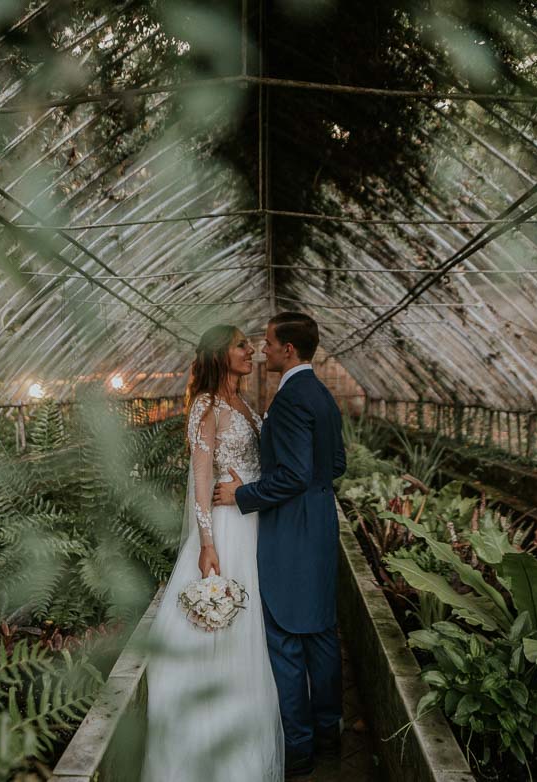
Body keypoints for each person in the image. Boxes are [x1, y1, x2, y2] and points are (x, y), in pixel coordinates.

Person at [141, 325, 284, 782]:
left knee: (250, 630)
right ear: (220, 353)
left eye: (251, 344)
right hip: (226, 529)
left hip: (253, 520)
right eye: (242, 344)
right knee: (224, 631)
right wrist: (207, 544)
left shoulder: (245, 402)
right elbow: (202, 478)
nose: (252, 351)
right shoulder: (207, 404)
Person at [213, 311, 347, 778]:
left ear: (289, 349)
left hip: (291, 531)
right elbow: (336, 462)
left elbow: (290, 475)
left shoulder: (290, 399)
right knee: (322, 634)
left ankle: (300, 748)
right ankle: (330, 732)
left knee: (287, 639)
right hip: (320, 525)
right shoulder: (322, 395)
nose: (262, 350)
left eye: (268, 343)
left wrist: (242, 495)